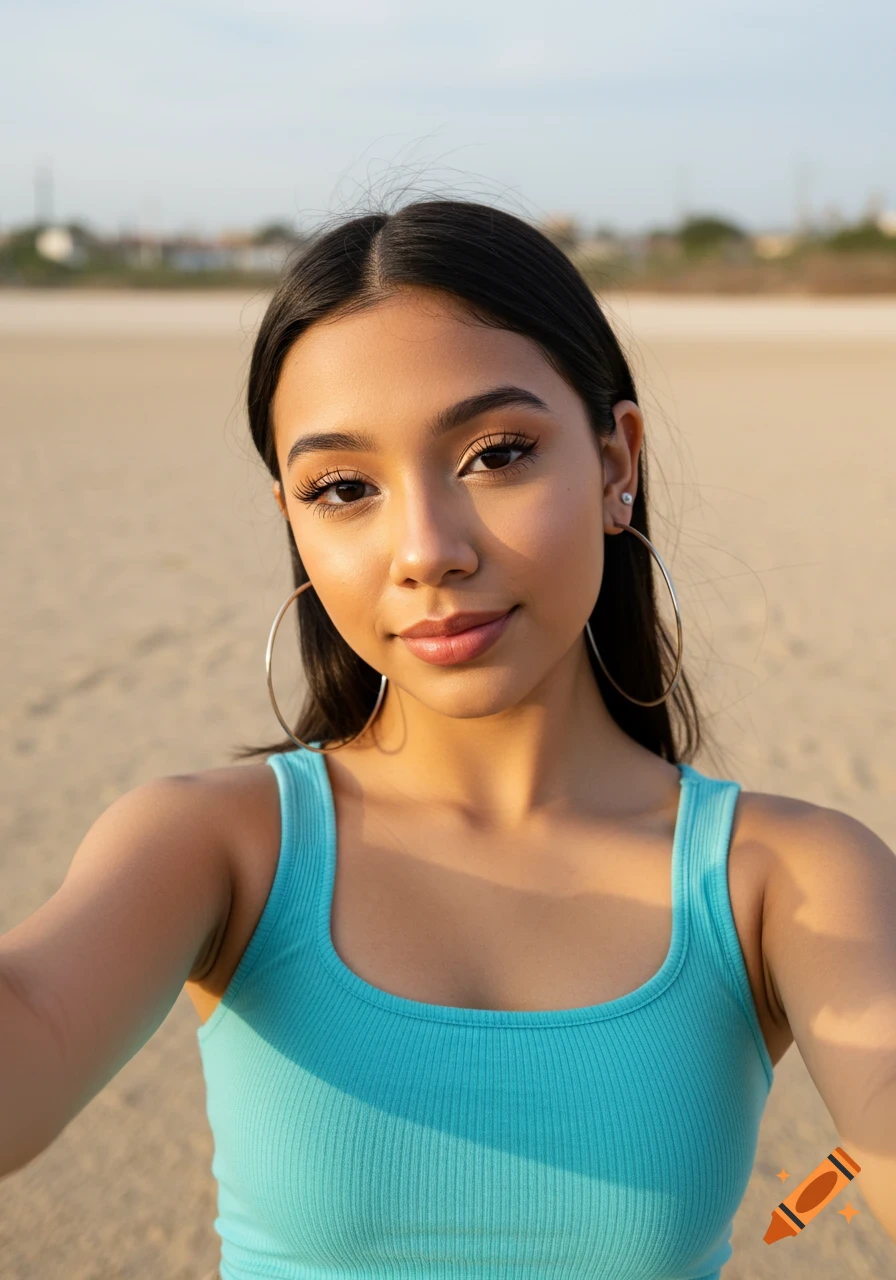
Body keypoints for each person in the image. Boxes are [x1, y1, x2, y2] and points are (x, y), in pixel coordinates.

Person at [2, 199, 895, 1279]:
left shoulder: (786, 876)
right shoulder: (217, 847)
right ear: (291, 516)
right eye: (343, 488)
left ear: (615, 461)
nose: (424, 549)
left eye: (495, 453)